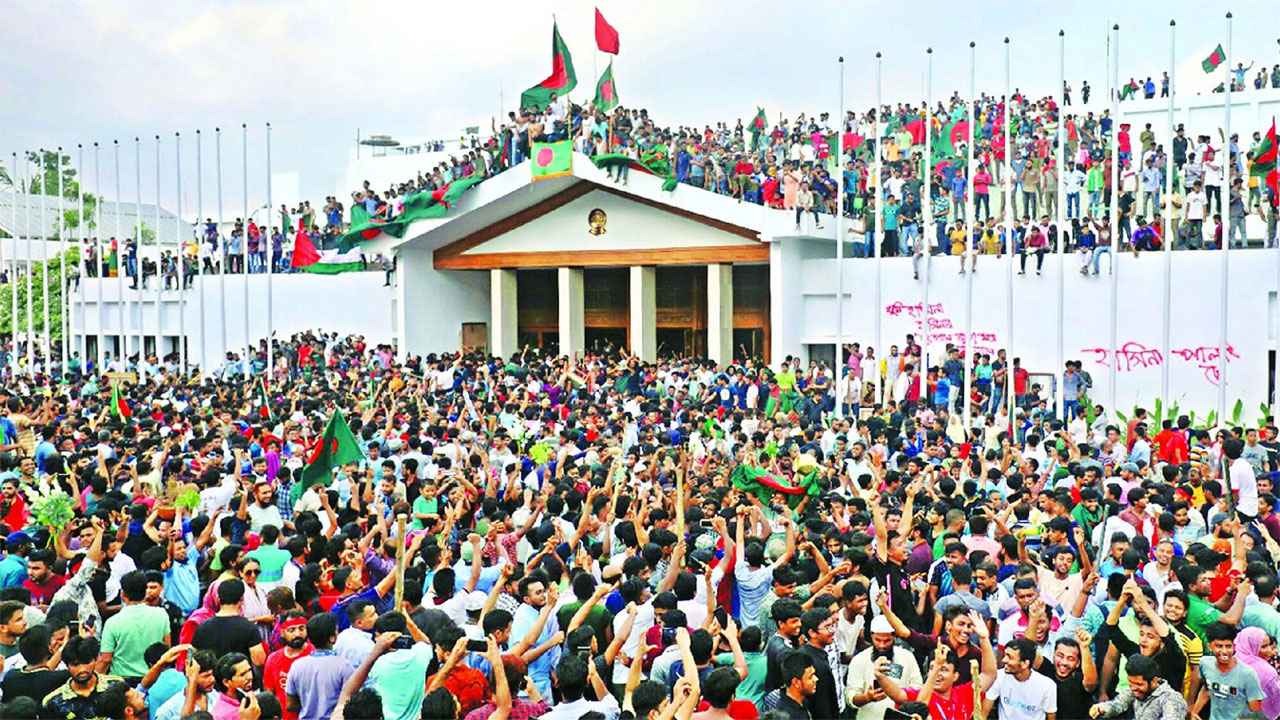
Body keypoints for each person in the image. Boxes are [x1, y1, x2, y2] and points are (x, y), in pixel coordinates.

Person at [1193, 622, 1264, 720]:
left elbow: (1255, 710)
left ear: (1234, 646)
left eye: (1228, 646)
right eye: (1219, 646)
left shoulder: (1247, 674)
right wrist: (1194, 712)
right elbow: (1206, 690)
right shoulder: (1205, 663)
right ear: (1209, 646)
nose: (1224, 651)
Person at [982, 637, 1057, 720]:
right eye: (1005, 655)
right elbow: (983, 713)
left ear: (1025, 664)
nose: (1004, 660)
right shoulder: (999, 676)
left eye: (1009, 657)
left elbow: (1051, 716)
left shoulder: (1047, 685)